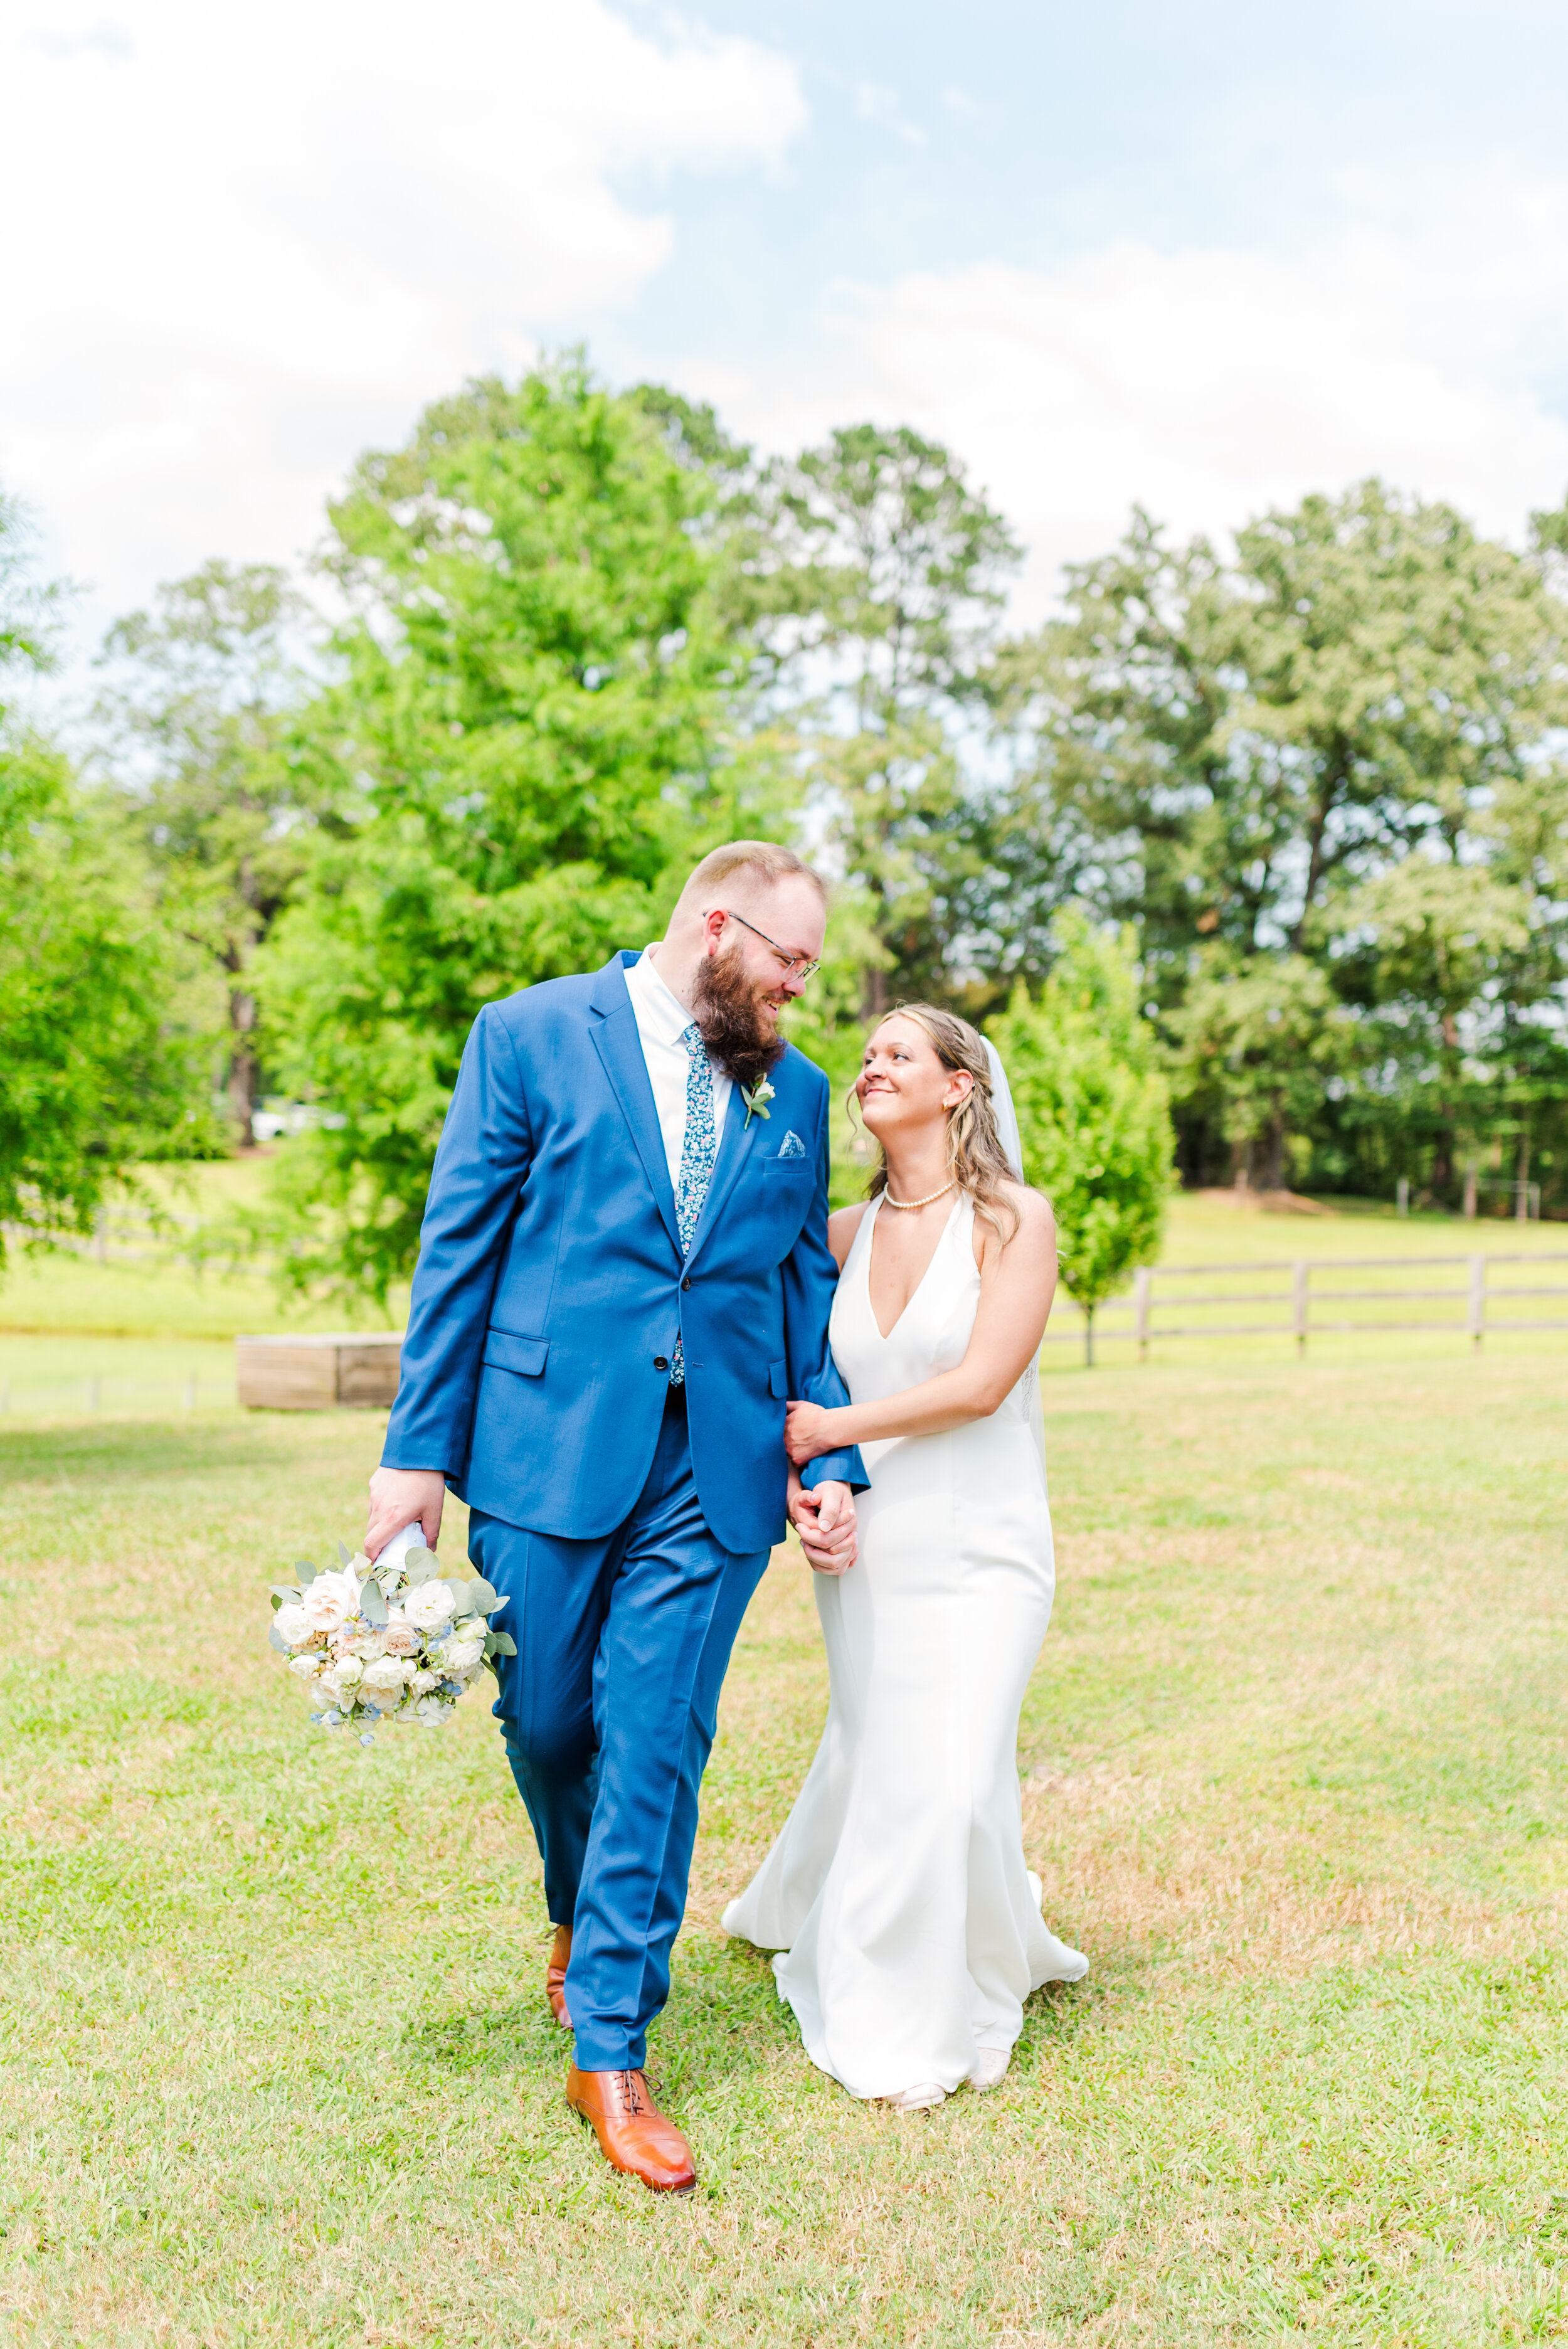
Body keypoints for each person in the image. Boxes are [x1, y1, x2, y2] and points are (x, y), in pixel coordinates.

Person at [364, 842, 866, 2195]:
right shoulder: (528, 1035)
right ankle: (577, 1919)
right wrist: (414, 1458)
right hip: (543, 1450)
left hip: (714, 1473)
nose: (796, 993)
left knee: (656, 1738)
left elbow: (802, 1282)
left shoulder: (796, 1090)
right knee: (545, 1725)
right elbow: (458, 1244)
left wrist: (830, 1455)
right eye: (787, 962)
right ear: (717, 927)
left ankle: (611, 2042)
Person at [723, 1004, 1088, 2110]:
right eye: (868, 1055)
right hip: (872, 1549)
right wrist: (815, 1488)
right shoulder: (837, 1235)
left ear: (959, 1087)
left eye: (900, 1054)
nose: (871, 1065)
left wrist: (828, 1437)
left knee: (955, 1772)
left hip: (986, 1543)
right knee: (886, 1747)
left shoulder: (1015, 1221)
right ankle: (831, 1909)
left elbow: (981, 1384)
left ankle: (920, 2002)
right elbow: (806, 1387)